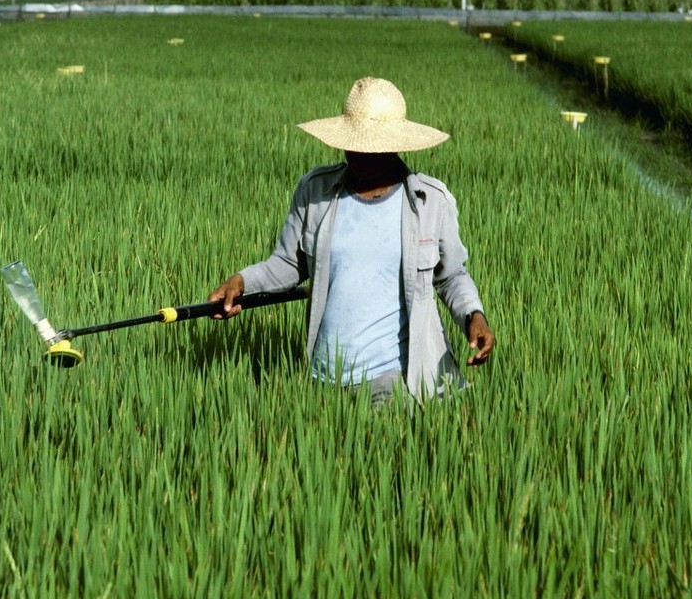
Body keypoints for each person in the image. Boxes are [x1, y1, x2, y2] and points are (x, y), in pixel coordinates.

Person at [208, 77, 495, 405]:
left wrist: (474, 316)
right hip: (323, 377)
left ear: (397, 144)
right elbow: (288, 263)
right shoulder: (316, 192)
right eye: (355, 145)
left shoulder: (429, 201)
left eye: (374, 147)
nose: (362, 154)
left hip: (394, 375)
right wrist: (241, 281)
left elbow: (451, 276)